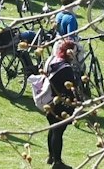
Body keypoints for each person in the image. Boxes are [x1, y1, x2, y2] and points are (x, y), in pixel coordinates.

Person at [39, 37, 84, 169]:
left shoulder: (52, 60)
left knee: (53, 129)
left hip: (49, 101)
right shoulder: (66, 68)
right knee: (58, 132)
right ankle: (57, 162)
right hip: (61, 102)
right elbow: (71, 86)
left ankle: (51, 156)